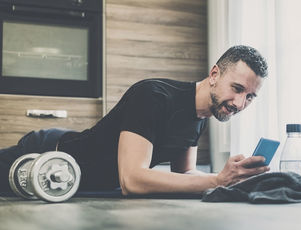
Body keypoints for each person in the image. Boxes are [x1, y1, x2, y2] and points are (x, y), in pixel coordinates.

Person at [0, 45, 269, 195]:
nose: (240, 104)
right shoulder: (153, 95)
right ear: (214, 74)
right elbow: (132, 180)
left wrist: (230, 181)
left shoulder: (200, 115)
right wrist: (217, 181)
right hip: (48, 154)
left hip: (79, 182)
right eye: (237, 89)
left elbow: (185, 172)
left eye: (250, 97)